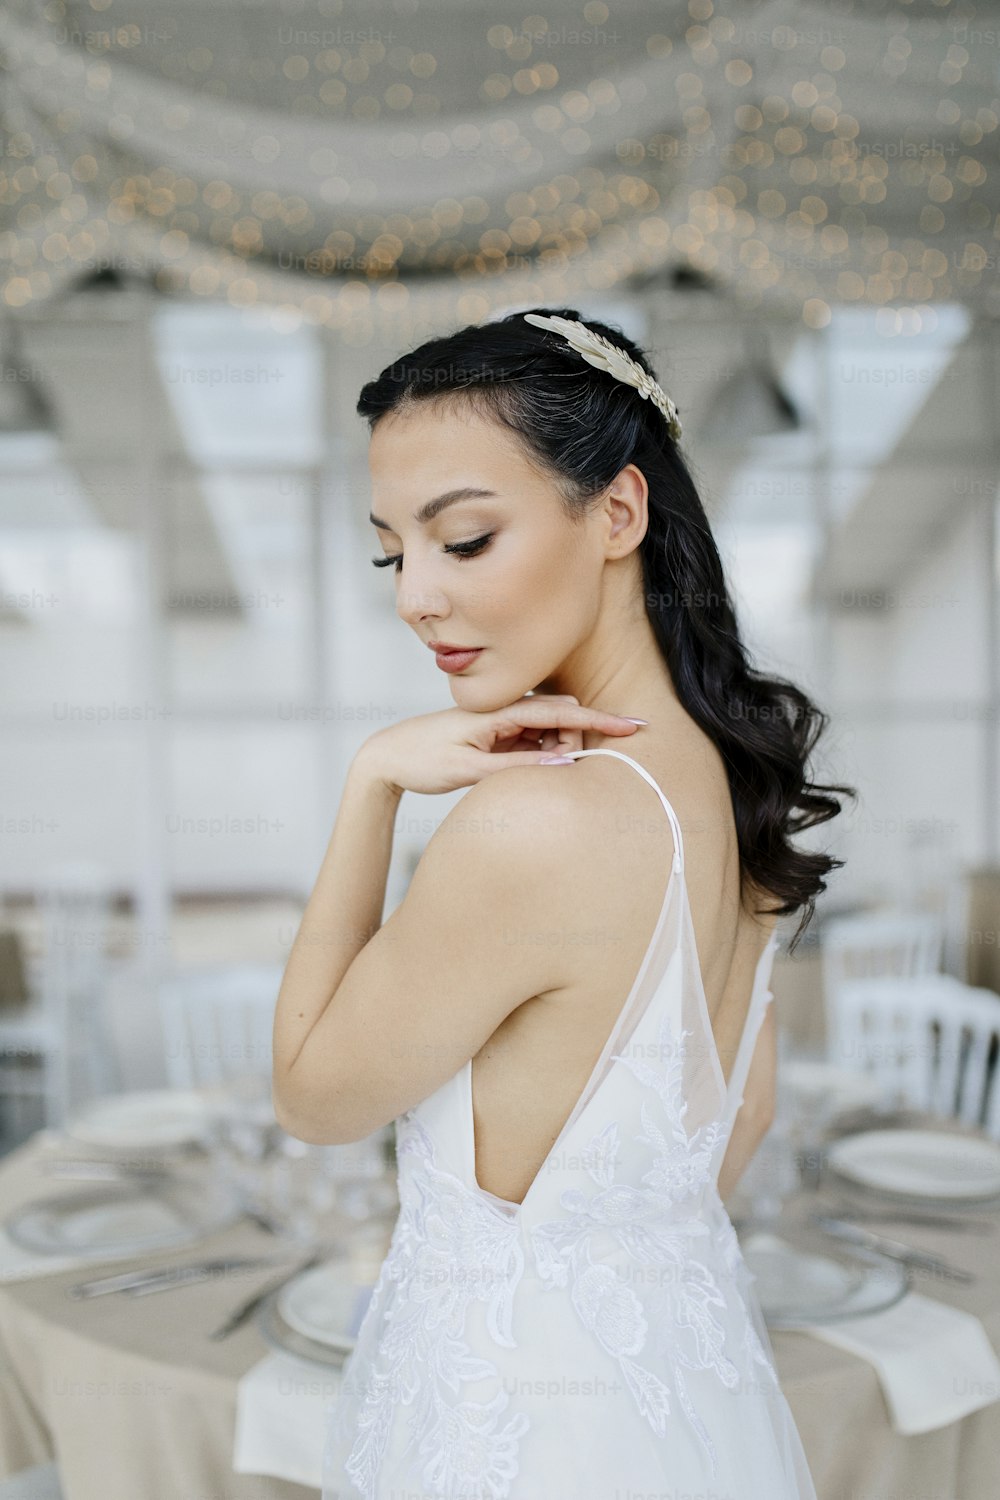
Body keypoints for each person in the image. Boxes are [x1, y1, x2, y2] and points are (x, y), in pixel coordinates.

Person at [272, 306, 856, 1499]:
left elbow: (312, 1096)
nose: (415, 598)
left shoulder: (535, 823)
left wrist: (371, 784)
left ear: (620, 514)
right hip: (685, 1411)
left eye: (465, 540)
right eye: (394, 553)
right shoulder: (732, 786)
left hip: (520, 1433)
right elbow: (732, 1127)